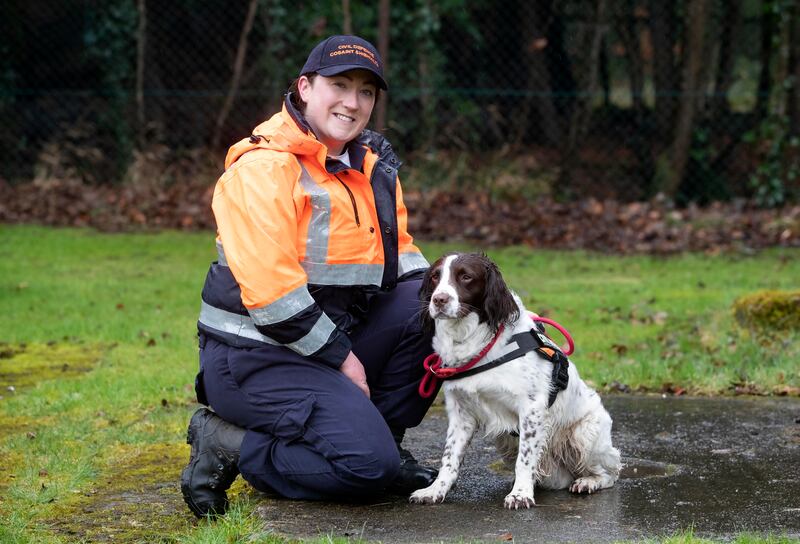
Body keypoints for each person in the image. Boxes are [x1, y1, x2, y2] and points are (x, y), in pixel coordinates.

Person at [180, 35, 440, 518]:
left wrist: (482, 308)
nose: (352, 102)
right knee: (368, 470)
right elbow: (273, 295)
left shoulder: (371, 165)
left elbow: (403, 262)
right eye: (338, 85)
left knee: (432, 310)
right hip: (253, 356)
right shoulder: (262, 169)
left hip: (323, 341)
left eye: (365, 92)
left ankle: (379, 437)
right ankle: (230, 444)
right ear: (304, 87)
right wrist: (344, 360)